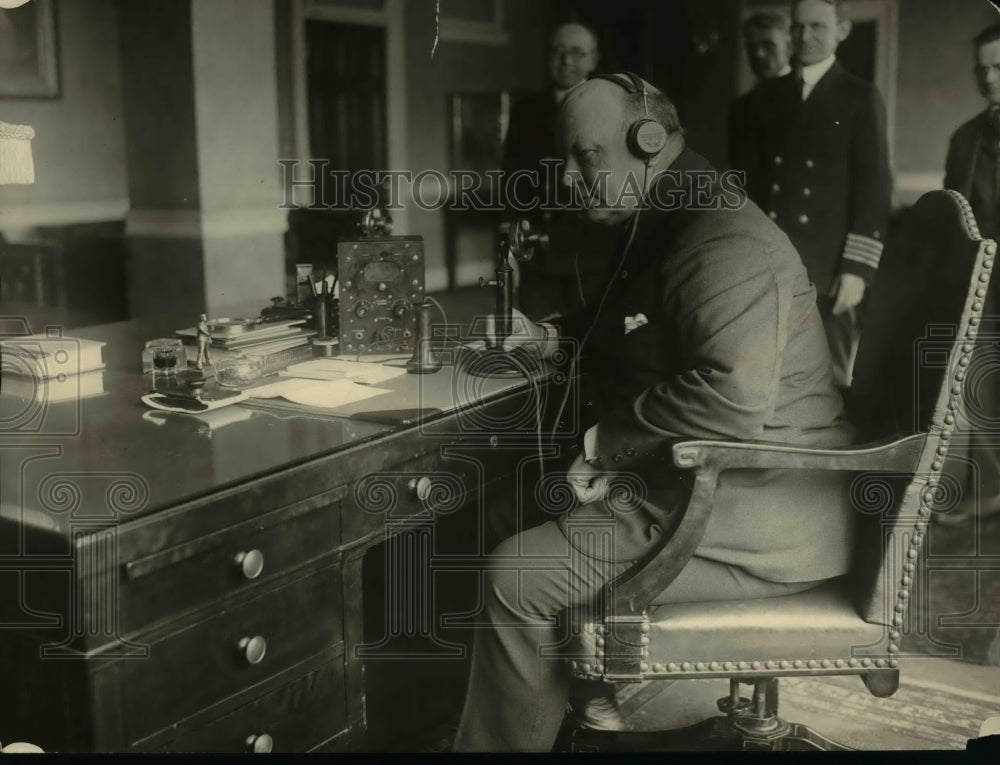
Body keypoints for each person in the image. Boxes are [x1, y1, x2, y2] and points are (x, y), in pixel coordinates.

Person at [452, 73, 856, 752]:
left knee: (515, 577)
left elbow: (728, 395)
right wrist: (552, 337)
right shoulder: (670, 217)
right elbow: (641, 325)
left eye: (587, 157)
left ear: (648, 141)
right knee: (500, 507)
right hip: (714, 485)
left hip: (754, 510)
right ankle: (570, 710)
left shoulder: (721, 237)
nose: (572, 178)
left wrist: (601, 442)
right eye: (567, 160)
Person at [738, 0, 892, 390]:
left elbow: (873, 188)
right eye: (798, 27)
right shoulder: (764, 99)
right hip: (767, 262)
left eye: (817, 27)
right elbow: (749, 189)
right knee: (763, 375)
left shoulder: (860, 96)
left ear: (841, 31)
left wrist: (856, 271)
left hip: (827, 268)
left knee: (828, 382)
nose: (805, 37)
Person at [502, 21, 615, 321]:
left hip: (592, 252)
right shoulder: (526, 111)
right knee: (537, 336)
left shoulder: (611, 109)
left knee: (592, 339)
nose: (566, 60)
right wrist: (512, 245)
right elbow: (512, 178)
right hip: (540, 250)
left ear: (593, 59)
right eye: (558, 51)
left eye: (577, 52)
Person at [940, 23, 1000, 525]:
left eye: (999, 67)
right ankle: (990, 489)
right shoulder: (966, 139)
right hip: (983, 287)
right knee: (978, 386)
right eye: (982, 69)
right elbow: (949, 217)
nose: (989, 78)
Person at [728, 11, 793, 182]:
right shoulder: (740, 110)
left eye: (768, 46)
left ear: (789, 46)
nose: (759, 54)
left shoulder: (808, 99)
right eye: (752, 47)